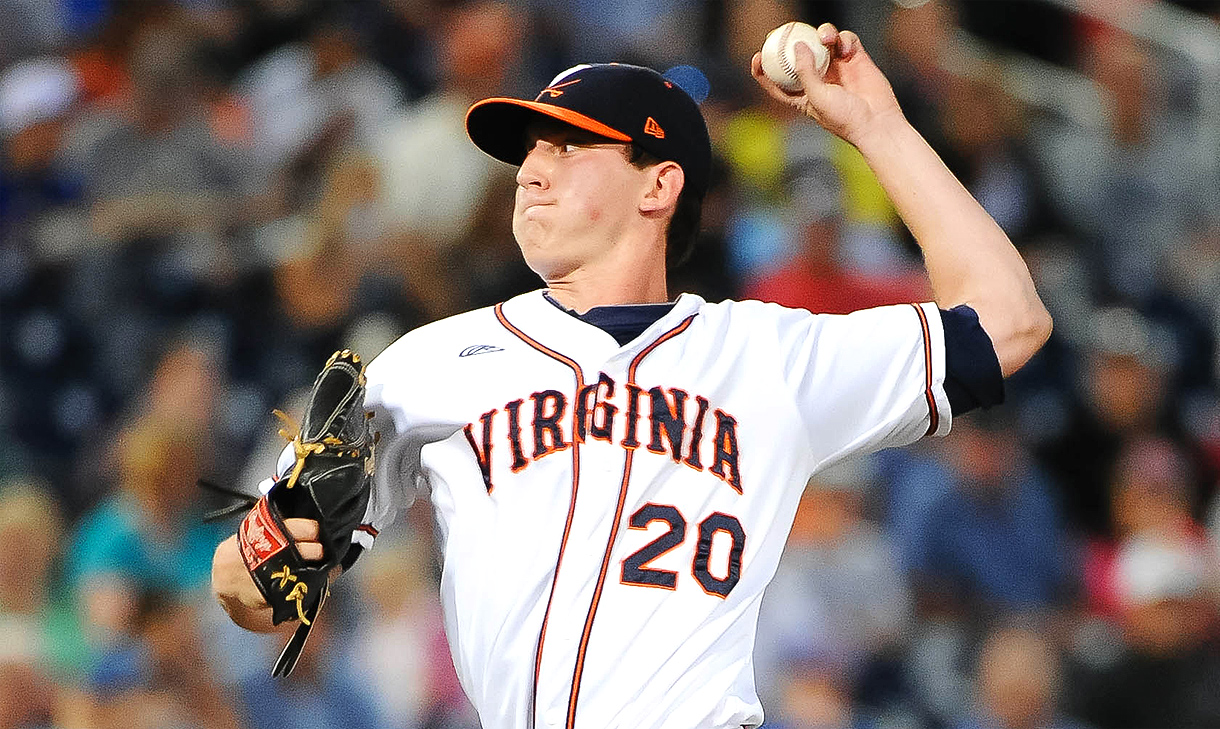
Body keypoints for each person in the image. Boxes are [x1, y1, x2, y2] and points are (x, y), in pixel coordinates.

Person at [212, 23, 1051, 728]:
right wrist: (273, 545)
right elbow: (251, 596)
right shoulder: (428, 363)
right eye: (530, 150)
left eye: (569, 145)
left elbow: (1009, 320)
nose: (531, 169)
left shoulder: (766, 356)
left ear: (660, 185)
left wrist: (879, 127)